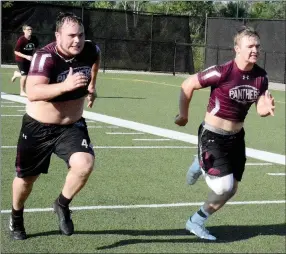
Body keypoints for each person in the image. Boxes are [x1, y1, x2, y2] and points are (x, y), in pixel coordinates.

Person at [175, 26, 275, 241]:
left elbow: (259, 108)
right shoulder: (223, 71)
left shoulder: (261, 77)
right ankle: (200, 163)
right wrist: (183, 116)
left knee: (231, 189)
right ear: (237, 49)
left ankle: (196, 221)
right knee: (223, 185)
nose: (255, 50)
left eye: (257, 46)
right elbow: (188, 84)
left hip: (236, 139)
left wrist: (265, 111)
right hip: (212, 136)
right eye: (250, 46)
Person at [9, 12, 100, 240]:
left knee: (84, 164)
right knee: (27, 180)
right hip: (38, 128)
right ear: (57, 35)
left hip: (71, 126)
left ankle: (61, 204)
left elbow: (95, 61)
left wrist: (92, 86)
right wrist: (66, 86)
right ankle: (16, 218)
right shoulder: (45, 56)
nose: (77, 40)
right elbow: (33, 92)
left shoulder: (90, 50)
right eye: (71, 36)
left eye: (80, 35)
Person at [11, 24, 39, 96]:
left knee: (30, 75)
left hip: (29, 59)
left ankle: (17, 74)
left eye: (31, 29)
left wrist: (36, 55)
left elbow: (36, 48)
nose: (30, 31)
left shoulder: (34, 38)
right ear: (24, 31)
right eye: (28, 29)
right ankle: (22, 91)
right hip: (20, 59)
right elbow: (16, 51)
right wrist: (26, 56)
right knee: (25, 76)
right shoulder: (21, 40)